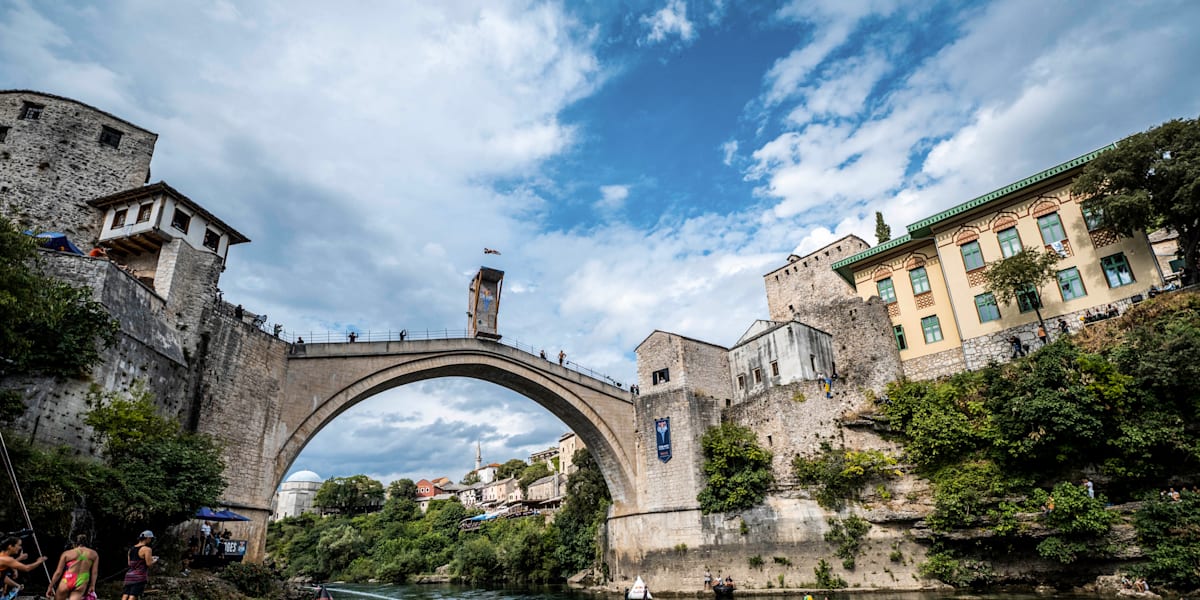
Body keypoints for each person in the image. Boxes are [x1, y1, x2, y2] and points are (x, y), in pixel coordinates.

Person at [47, 534, 98, 600]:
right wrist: (92, 585)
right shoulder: (94, 554)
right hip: (82, 579)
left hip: (68, 578)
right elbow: (94, 572)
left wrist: (50, 586)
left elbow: (58, 572)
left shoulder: (67, 553)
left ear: (75, 543)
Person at [0, 536, 47, 600]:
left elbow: (3, 577)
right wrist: (39, 561)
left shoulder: (3, 556)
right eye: (19, 545)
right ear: (10, 546)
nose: (20, 547)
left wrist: (16, 585)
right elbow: (26, 568)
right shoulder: (6, 559)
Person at [122, 530, 155, 600]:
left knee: (125, 595)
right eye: (151, 538)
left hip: (129, 576)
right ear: (147, 538)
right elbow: (149, 564)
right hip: (139, 577)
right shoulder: (147, 549)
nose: (151, 540)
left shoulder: (131, 549)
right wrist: (154, 561)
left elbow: (129, 564)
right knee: (133, 596)